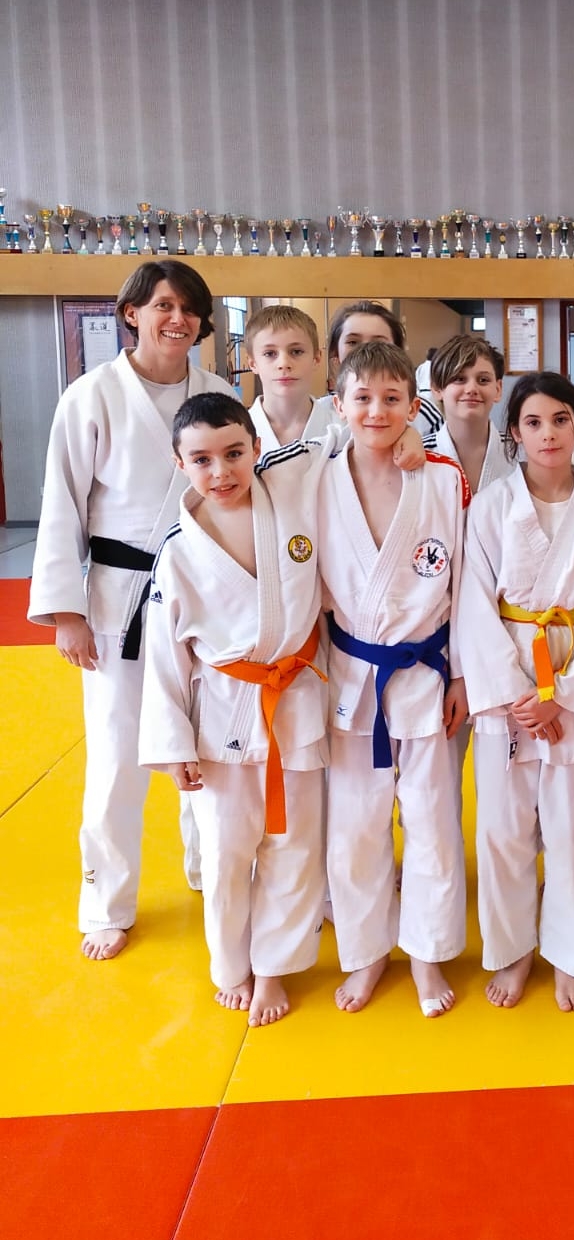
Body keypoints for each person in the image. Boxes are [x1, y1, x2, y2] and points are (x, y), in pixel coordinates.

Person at [28, 258, 234, 960]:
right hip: (119, 595)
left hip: (204, 592)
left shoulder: (218, 393)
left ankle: (213, 870)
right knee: (118, 756)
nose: (178, 319)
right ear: (132, 313)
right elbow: (62, 501)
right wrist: (66, 612)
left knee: (206, 743)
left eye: (190, 308)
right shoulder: (91, 395)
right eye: (163, 305)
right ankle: (106, 902)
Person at [140, 393, 334, 1027]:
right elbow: (166, 658)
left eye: (233, 453)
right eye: (201, 460)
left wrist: (412, 439)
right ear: (179, 464)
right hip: (220, 718)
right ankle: (232, 967)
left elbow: (346, 441)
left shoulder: (290, 495)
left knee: (295, 845)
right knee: (226, 853)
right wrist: (173, 745)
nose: (220, 471)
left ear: (256, 448)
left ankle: (273, 966)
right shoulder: (178, 549)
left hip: (293, 704)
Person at [459, 374, 574, 1012]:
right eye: (533, 422)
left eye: (560, 420)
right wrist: (514, 693)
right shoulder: (490, 507)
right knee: (503, 830)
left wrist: (564, 694)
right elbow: (473, 604)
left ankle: (572, 955)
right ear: (514, 432)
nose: (548, 434)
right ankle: (513, 949)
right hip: (507, 685)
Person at [319, 341, 470, 1016]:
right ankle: (367, 953)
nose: (376, 411)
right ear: (338, 405)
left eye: (392, 399)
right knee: (355, 826)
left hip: (427, 674)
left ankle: (429, 955)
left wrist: (463, 675)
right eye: (362, 398)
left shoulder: (442, 480)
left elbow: (466, 584)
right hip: (352, 679)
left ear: (415, 406)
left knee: (434, 821)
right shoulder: (313, 478)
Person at [327, 300, 442, 441]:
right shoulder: (318, 412)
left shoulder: (424, 415)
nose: (366, 351)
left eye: (378, 343)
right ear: (335, 352)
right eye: (353, 342)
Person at [245, 304, 337, 453]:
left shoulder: (343, 429)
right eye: (270, 353)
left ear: (316, 358)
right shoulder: (233, 432)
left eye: (296, 351)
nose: (284, 364)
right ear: (253, 363)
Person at [427, 334, 508, 495]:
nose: (471, 389)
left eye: (483, 380)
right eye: (459, 379)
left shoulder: (519, 451)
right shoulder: (419, 455)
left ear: (498, 389)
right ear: (437, 389)